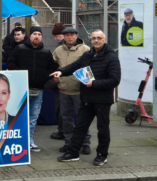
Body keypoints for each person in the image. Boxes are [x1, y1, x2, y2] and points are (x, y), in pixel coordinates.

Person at [52, 29, 121, 166]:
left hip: (102, 100)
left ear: (104, 40)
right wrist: (60, 71)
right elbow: (74, 66)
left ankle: (102, 155)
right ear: (91, 40)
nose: (96, 40)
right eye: (94, 38)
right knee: (80, 127)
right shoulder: (87, 55)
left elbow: (114, 80)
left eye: (99, 38)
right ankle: (73, 153)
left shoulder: (111, 57)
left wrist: (93, 83)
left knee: (102, 129)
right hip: (87, 98)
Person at [7, 26, 57, 152]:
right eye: (34, 34)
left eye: (39, 34)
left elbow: (52, 67)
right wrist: (22, 74)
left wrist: (44, 78)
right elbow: (10, 64)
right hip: (21, 89)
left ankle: (29, 141)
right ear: (30, 35)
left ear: (41, 37)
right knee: (18, 116)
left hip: (38, 90)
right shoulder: (20, 49)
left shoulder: (46, 52)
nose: (37, 36)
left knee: (33, 118)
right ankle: (16, 142)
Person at [52, 26, 92, 155]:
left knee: (83, 119)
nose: (69, 37)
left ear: (76, 36)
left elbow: (91, 68)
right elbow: (53, 66)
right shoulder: (58, 50)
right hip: (63, 90)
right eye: (67, 35)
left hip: (80, 91)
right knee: (66, 119)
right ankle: (68, 143)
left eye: (72, 35)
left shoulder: (86, 49)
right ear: (63, 37)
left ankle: (85, 143)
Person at [50, 22, 66, 140]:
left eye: (58, 35)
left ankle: (62, 131)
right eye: (55, 36)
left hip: (62, 83)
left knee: (61, 109)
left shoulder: (61, 47)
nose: (56, 38)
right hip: (64, 82)